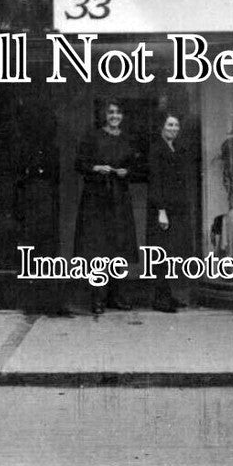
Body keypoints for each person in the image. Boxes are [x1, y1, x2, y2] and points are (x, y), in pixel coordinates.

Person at [74, 99, 140, 314]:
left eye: (118, 113)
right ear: (105, 115)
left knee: (119, 246)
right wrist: (96, 167)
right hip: (97, 198)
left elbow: (137, 166)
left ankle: (116, 296)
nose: (114, 116)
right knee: (98, 248)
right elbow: (79, 164)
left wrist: (127, 172)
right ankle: (98, 298)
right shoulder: (93, 137)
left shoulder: (128, 139)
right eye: (111, 112)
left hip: (119, 198)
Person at [147, 113, 193, 313]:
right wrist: (161, 211)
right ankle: (160, 299)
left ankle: (169, 294)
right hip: (162, 209)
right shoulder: (156, 149)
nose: (173, 128)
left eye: (176, 125)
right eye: (169, 124)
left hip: (177, 209)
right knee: (161, 253)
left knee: (173, 252)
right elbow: (156, 181)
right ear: (161, 127)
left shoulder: (178, 148)